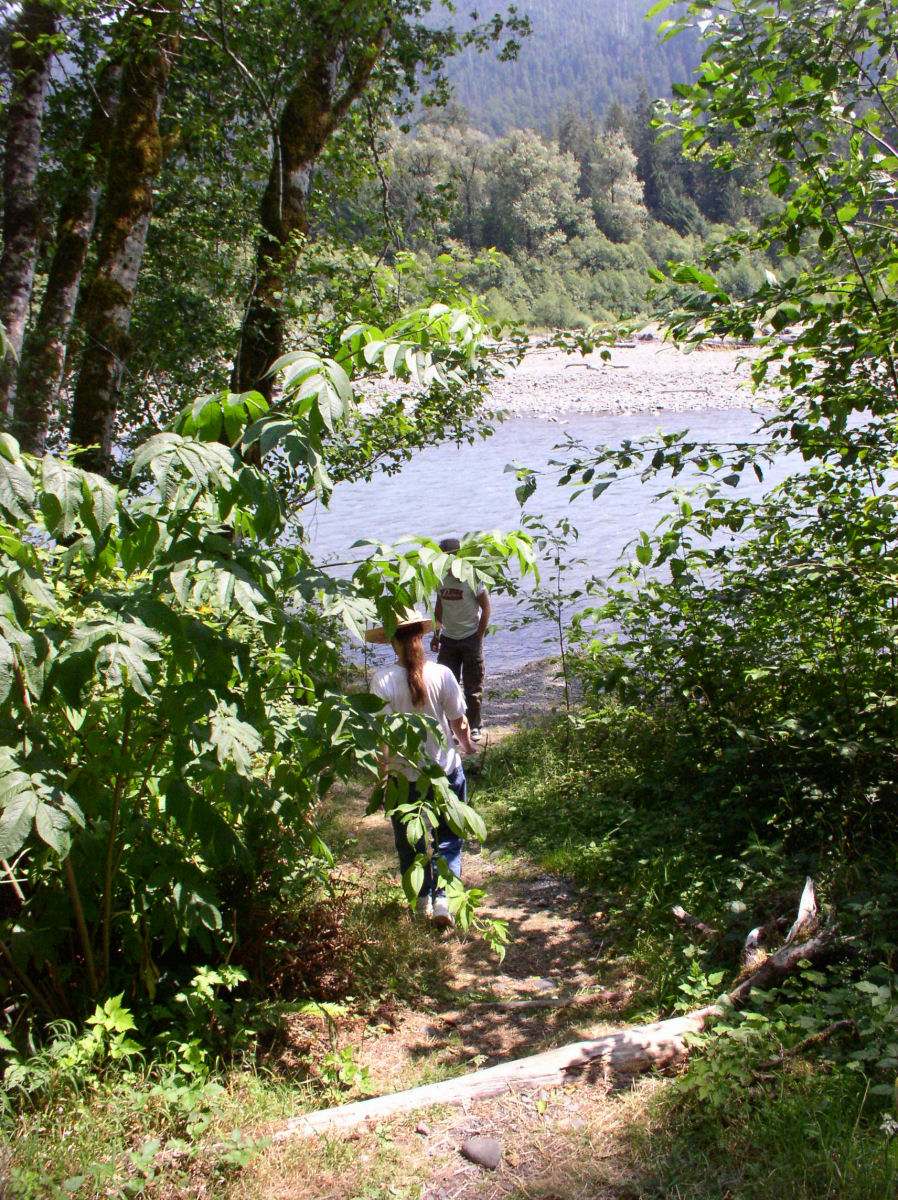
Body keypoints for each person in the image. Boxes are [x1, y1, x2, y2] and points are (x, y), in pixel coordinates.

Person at [367, 606, 476, 928]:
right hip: (445, 772)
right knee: (449, 839)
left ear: (392, 641)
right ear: (421, 636)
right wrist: (467, 746)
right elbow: (459, 722)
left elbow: (382, 739)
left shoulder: (382, 680)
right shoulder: (442, 674)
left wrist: (383, 777)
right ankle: (444, 900)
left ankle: (420, 900)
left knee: (409, 843)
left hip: (404, 778)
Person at [429, 537, 491, 741]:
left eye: (446, 558)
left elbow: (486, 608)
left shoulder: (472, 578)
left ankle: (475, 727)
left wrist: (479, 636)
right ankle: (452, 729)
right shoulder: (439, 578)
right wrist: (436, 634)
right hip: (448, 640)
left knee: (473, 689)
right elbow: (439, 606)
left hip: (470, 638)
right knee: (448, 686)